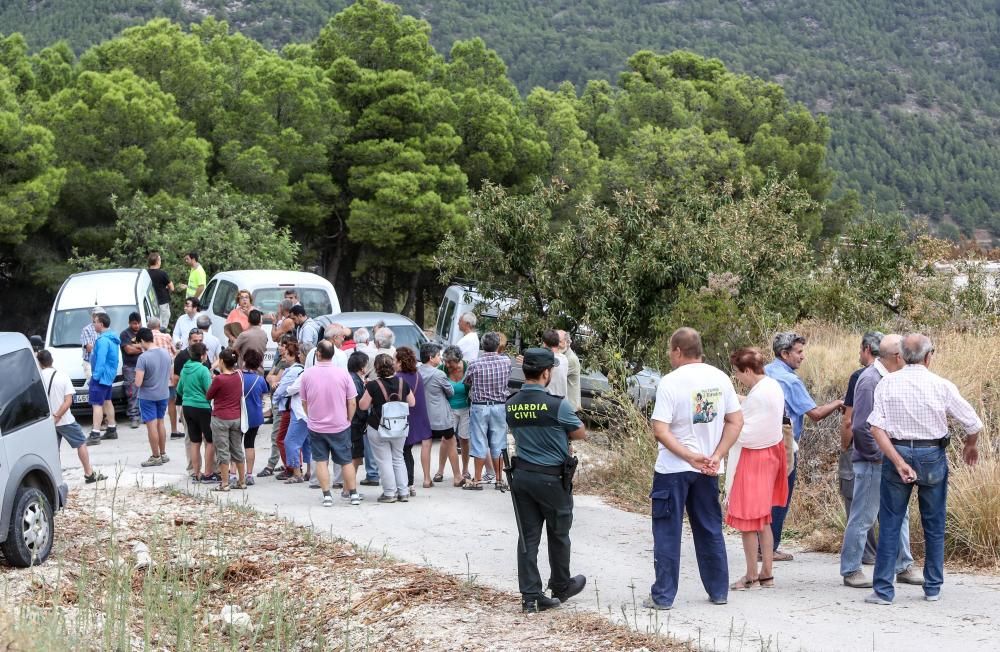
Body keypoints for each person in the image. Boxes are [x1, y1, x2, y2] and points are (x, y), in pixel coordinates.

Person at [865, 333, 980, 605]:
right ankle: (932, 587)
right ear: (929, 356)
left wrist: (898, 461)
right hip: (932, 454)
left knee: (891, 522)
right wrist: (970, 446)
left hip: (898, 451)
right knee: (934, 522)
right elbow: (973, 424)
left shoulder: (887, 384)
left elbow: (876, 427)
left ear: (902, 356)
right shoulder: (941, 385)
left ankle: (883, 590)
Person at [644, 328, 743, 611]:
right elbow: (736, 421)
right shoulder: (720, 378)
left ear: (677, 350)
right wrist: (717, 454)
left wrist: (689, 456)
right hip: (709, 469)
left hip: (673, 468)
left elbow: (660, 430)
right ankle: (718, 590)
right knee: (710, 528)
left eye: (669, 350)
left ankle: (663, 596)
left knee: (667, 531)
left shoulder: (670, 382)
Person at [505, 347, 588, 612]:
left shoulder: (512, 403)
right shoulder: (557, 405)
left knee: (528, 537)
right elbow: (580, 433)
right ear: (545, 372)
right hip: (552, 479)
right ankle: (561, 585)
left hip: (522, 477)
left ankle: (530, 596)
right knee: (559, 533)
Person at [840, 334, 921, 589]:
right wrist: (880, 456)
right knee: (864, 515)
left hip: (890, 459)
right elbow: (861, 426)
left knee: (901, 514)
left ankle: (903, 565)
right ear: (897, 357)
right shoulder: (869, 380)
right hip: (875, 461)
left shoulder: (889, 378)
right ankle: (851, 568)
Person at [764, 332, 844, 561]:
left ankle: (762, 543)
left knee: (767, 494)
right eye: (799, 352)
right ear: (785, 353)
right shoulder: (790, 381)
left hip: (764, 440)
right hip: (785, 442)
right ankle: (770, 547)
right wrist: (838, 402)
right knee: (781, 495)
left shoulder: (767, 372)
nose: (803, 357)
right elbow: (816, 414)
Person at [725, 348, 788, 591]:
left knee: (748, 519)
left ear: (748, 370)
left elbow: (743, 428)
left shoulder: (760, 394)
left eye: (739, 373)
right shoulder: (771, 386)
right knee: (763, 519)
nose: (738, 377)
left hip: (754, 457)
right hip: (771, 454)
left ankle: (751, 574)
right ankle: (767, 573)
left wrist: (725, 421)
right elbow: (751, 405)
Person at [298, 340, 360, 506]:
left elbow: (304, 401)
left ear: (318, 354)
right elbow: (352, 401)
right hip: (340, 424)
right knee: (346, 460)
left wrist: (310, 416)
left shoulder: (307, 374)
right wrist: (348, 418)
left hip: (317, 425)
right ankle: (353, 493)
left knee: (321, 460)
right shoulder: (343, 374)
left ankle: (326, 495)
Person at [840, 332, 884, 569]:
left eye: (860, 349)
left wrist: (845, 448)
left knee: (856, 503)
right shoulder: (889, 376)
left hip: (863, 450)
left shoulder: (860, 377)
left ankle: (864, 555)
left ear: (867, 348)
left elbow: (850, 420)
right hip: (885, 451)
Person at [37, 350, 106, 484]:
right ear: (52, 360)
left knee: (52, 451)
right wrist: (57, 416)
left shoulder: (37, 378)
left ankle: (53, 479)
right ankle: (89, 474)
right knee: (81, 443)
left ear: (39, 363)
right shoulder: (62, 376)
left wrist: (52, 418)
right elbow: (68, 401)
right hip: (65, 420)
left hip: (46, 421)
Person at [358, 353, 416, 502]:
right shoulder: (403, 383)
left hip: (379, 426)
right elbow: (412, 403)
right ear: (393, 366)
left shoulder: (373, 385)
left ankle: (389, 492)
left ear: (376, 368)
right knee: (398, 458)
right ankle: (403, 491)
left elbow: (363, 406)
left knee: (384, 460)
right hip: (400, 427)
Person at [464, 332, 511, 490]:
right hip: (499, 405)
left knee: (479, 442)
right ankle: (499, 479)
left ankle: (477, 480)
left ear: (482, 346)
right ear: (498, 345)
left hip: (480, 406)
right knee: (499, 443)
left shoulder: (474, 363)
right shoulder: (506, 361)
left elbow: (467, 381)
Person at [206, 349, 246, 491]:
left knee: (223, 451)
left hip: (221, 418)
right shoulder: (239, 375)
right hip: (236, 417)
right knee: (237, 450)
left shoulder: (219, 379)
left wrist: (213, 371)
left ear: (221, 361)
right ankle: (242, 481)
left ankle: (224, 483)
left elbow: (208, 396)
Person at [420, 343, 460, 486]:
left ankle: (426, 479)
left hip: (424, 415)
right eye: (438, 355)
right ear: (431, 358)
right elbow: (451, 392)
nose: (440, 358)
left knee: (426, 444)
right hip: (440, 416)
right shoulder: (439, 374)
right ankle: (457, 477)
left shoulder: (417, 372)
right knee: (451, 442)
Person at [176, 341, 214, 482]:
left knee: (194, 441)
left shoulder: (185, 369)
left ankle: (196, 473)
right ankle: (208, 472)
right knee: (209, 440)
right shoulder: (203, 369)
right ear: (203, 355)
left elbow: (179, 389)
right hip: (202, 407)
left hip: (187, 407)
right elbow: (209, 391)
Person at [134, 328, 173, 466]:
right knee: (161, 423)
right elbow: (170, 376)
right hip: (163, 393)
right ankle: (163, 453)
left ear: (143, 340)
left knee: (151, 425)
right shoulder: (166, 354)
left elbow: (138, 382)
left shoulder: (143, 358)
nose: (140, 346)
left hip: (148, 396)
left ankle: (155, 456)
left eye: (139, 343)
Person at [397, 346, 432, 493]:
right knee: (407, 450)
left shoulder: (398, 378)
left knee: (403, 452)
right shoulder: (417, 375)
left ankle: (407, 483)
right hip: (416, 416)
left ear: (400, 362)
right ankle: (409, 483)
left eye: (395, 359)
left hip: (404, 417)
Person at [260, 335, 295, 477]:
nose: (279, 347)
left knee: (277, 435)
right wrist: (273, 377)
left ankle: (272, 464)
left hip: (281, 402)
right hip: (276, 400)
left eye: (282, 345)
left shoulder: (287, 363)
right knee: (281, 434)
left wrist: (273, 377)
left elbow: (276, 379)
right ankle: (287, 463)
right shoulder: (281, 360)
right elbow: (269, 377)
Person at [272, 342, 305, 480]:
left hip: (289, 408)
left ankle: (292, 468)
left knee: (284, 440)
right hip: (293, 408)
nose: (283, 356)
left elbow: (285, 390)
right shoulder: (298, 369)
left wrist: (275, 398)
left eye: (286, 354)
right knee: (298, 441)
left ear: (293, 356)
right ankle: (298, 468)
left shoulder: (294, 371)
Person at [86, 312, 119, 445]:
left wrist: (96, 376)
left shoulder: (103, 340)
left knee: (97, 405)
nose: (93, 324)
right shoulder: (112, 338)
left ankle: (95, 433)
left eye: (95, 322)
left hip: (101, 377)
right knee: (107, 401)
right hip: (109, 376)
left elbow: (100, 360)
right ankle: (112, 429)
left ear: (101, 323)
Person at [440, 345, 472, 482]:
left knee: (464, 439)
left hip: (466, 408)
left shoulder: (468, 368)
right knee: (446, 439)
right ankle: (440, 470)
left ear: (458, 360)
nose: (446, 365)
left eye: (449, 362)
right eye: (445, 361)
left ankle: (465, 470)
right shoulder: (441, 369)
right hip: (449, 408)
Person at [281, 345, 312, 484]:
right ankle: (310, 471)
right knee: (307, 443)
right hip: (310, 413)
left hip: (300, 413)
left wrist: (285, 388)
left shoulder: (305, 374)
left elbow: (292, 389)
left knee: (290, 441)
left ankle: (296, 472)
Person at [347, 351, 379, 486]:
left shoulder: (353, 379)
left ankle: (349, 487)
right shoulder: (355, 382)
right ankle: (349, 488)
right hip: (355, 423)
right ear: (362, 367)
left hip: (354, 423)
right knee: (355, 458)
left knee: (356, 457)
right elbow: (358, 404)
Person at [239, 348, 268, 486]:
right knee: (250, 444)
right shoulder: (260, 380)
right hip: (255, 415)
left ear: (244, 361)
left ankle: (235, 473)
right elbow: (263, 395)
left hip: (239, 414)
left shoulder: (237, 377)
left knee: (235, 445)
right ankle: (249, 474)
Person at [120, 312, 143, 429]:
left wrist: (137, 347)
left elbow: (149, 346)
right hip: (130, 367)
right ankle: (134, 417)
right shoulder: (124, 334)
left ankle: (144, 415)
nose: (137, 326)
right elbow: (128, 350)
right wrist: (141, 347)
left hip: (143, 366)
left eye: (138, 323)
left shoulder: (144, 332)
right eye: (134, 323)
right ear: (129, 323)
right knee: (132, 392)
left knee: (145, 390)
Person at [80, 306, 107, 383]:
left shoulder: (105, 329)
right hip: (90, 363)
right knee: (93, 385)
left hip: (102, 362)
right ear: (93, 316)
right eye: (100, 315)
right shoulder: (87, 329)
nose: (102, 317)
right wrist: (102, 348)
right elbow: (89, 348)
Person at [539, 329, 569, 398]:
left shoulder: (544, 358)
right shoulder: (564, 359)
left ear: (544, 343)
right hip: (561, 401)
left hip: (548, 400)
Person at [147, 252, 174, 326]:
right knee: (163, 323)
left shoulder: (145, 274)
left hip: (150, 302)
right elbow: (172, 288)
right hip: (162, 301)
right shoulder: (162, 273)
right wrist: (166, 289)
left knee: (152, 323)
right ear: (157, 261)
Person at [559, 330, 582, 412]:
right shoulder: (562, 355)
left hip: (569, 408)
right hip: (564, 406)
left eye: (559, 341)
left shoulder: (570, 359)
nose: (555, 344)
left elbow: (553, 376)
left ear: (567, 343)